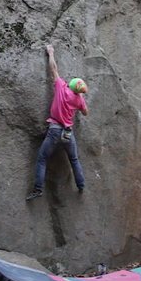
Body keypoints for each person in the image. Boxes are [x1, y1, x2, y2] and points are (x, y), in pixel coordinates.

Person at [26, 44, 89, 201]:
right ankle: (81, 185)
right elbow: (86, 112)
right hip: (68, 132)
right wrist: (79, 103)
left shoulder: (62, 87)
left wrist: (51, 53)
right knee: (74, 159)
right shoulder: (78, 99)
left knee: (42, 159)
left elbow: (53, 69)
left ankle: (38, 189)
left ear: (70, 85)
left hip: (54, 130)